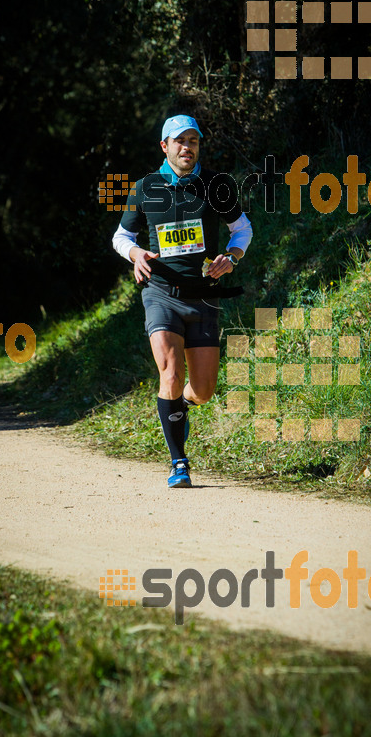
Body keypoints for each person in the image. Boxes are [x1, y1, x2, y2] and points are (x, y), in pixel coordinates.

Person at [112, 115, 252, 488]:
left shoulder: (216, 186)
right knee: (170, 374)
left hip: (204, 296)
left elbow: (243, 228)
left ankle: (178, 408)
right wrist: (136, 254)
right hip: (160, 293)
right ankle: (179, 462)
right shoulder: (145, 188)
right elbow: (121, 235)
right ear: (165, 146)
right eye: (179, 141)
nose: (187, 147)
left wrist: (232, 256)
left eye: (193, 141)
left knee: (203, 391)